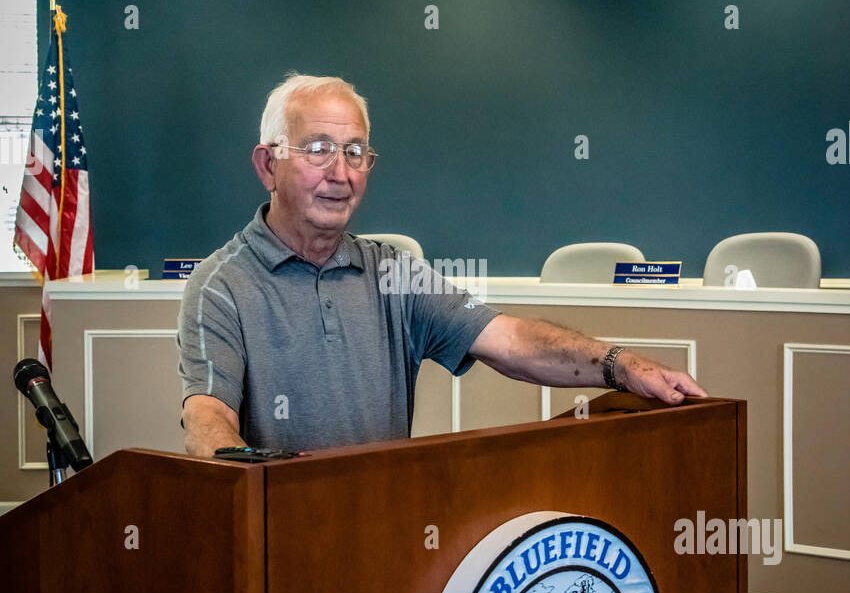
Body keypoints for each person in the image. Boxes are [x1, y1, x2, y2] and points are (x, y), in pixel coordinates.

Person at [177, 72, 706, 457]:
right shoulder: (220, 286)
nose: (340, 172)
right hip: (286, 539)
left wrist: (620, 365)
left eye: (356, 152)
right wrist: (253, 488)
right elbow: (208, 415)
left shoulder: (393, 272)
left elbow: (512, 341)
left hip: (390, 529)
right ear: (269, 164)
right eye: (318, 149)